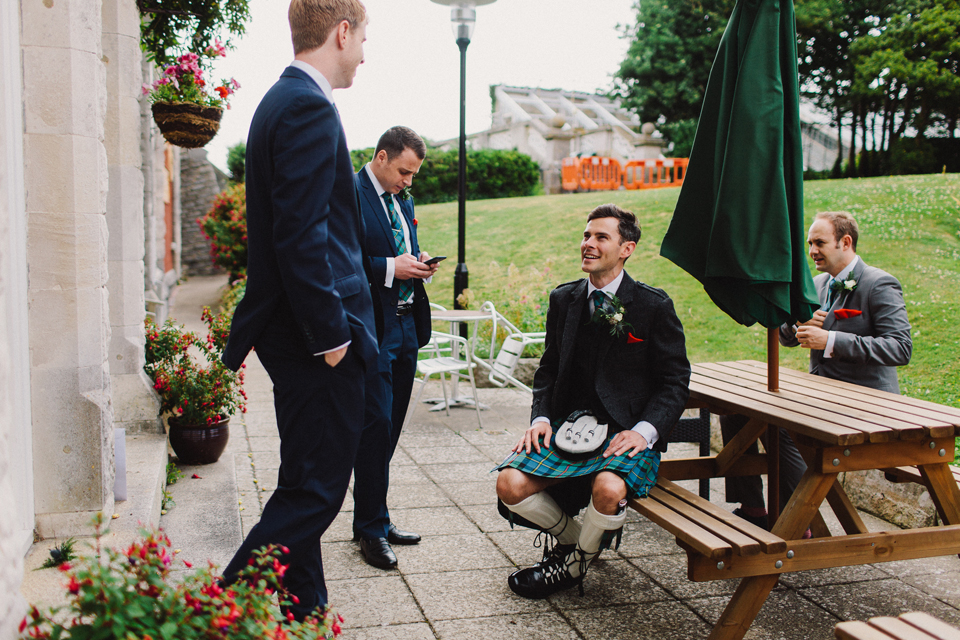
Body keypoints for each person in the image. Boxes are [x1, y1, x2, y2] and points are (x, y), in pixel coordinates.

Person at [218, 0, 374, 620]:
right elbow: (301, 235)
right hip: (318, 341)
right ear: (342, 32)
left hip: (294, 335)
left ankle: (304, 611)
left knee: (299, 480)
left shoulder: (279, 100)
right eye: (364, 38)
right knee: (314, 492)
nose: (364, 52)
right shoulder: (308, 105)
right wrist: (332, 336)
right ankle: (211, 616)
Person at [495, 203, 691, 599]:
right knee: (509, 483)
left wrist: (644, 432)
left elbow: (675, 381)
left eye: (601, 237)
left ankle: (571, 566)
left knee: (607, 488)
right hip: (569, 426)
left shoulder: (653, 306)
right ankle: (581, 548)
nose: (588, 243)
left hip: (625, 431)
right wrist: (541, 419)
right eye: (587, 235)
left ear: (626, 249)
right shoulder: (564, 299)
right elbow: (547, 370)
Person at [723, 210, 913, 529]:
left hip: (868, 405)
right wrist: (796, 322)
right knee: (735, 412)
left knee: (777, 424)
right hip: (821, 396)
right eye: (810, 243)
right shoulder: (817, 284)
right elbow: (787, 337)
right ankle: (753, 508)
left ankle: (797, 520)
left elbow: (900, 348)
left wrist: (833, 339)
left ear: (845, 242)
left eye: (819, 242)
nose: (811, 251)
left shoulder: (879, 283)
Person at [352, 126, 438, 568]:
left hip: (408, 327)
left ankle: (374, 516)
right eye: (404, 172)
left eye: (414, 175)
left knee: (392, 428)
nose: (409, 182)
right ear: (381, 156)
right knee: (375, 427)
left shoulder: (402, 198)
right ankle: (370, 529)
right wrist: (390, 267)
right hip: (372, 328)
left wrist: (418, 267)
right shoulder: (348, 192)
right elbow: (338, 258)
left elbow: (406, 248)